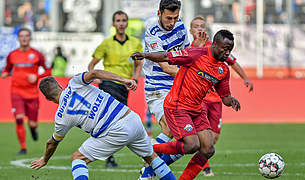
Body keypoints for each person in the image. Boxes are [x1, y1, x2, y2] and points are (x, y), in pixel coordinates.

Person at [131, 29, 241, 180]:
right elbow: (165, 56)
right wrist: (145, 55)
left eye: (230, 50)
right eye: (225, 48)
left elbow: (225, 97)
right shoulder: (196, 54)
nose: (227, 53)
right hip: (177, 106)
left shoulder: (223, 70)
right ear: (215, 44)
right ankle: (150, 149)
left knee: (208, 149)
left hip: (197, 109)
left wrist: (232, 100)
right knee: (191, 145)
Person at [30, 70, 176, 180]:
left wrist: (44, 159)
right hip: (132, 118)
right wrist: (123, 80)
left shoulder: (61, 117)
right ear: (60, 86)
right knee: (152, 158)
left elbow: (52, 143)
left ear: (48, 98)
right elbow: (95, 73)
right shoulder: (75, 82)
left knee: (78, 158)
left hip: (114, 130)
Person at [189, 16, 254, 176]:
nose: (199, 29)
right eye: (196, 26)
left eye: (202, 26)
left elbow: (232, 62)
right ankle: (204, 167)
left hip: (217, 100)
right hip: (200, 100)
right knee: (203, 138)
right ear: (190, 30)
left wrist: (245, 77)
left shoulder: (217, 48)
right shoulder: (189, 49)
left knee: (214, 138)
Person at [141, 1, 190, 177]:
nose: (172, 22)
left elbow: (187, 54)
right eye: (168, 18)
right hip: (157, 87)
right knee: (170, 129)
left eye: (175, 18)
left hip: (178, 86)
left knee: (192, 140)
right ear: (159, 13)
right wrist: (194, 77)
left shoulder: (181, 26)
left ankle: (150, 161)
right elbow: (166, 67)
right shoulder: (152, 33)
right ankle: (148, 171)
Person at [88, 10, 143, 167]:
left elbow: (139, 63)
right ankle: (108, 156)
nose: (121, 23)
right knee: (113, 120)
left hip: (124, 86)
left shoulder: (135, 43)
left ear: (127, 23)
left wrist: (135, 79)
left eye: (123, 20)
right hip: (108, 84)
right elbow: (92, 64)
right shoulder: (106, 43)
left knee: (117, 121)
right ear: (113, 23)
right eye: (118, 20)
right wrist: (96, 78)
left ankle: (106, 153)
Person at [1, 27, 51, 155]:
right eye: (21, 36)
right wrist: (5, 73)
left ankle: (33, 129)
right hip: (16, 92)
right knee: (18, 118)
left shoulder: (36, 54)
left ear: (30, 38)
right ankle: (23, 147)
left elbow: (48, 71)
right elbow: (7, 68)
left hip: (32, 94)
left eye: (26, 36)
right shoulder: (13, 55)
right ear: (18, 38)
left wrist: (38, 76)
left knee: (33, 124)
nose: (24, 38)